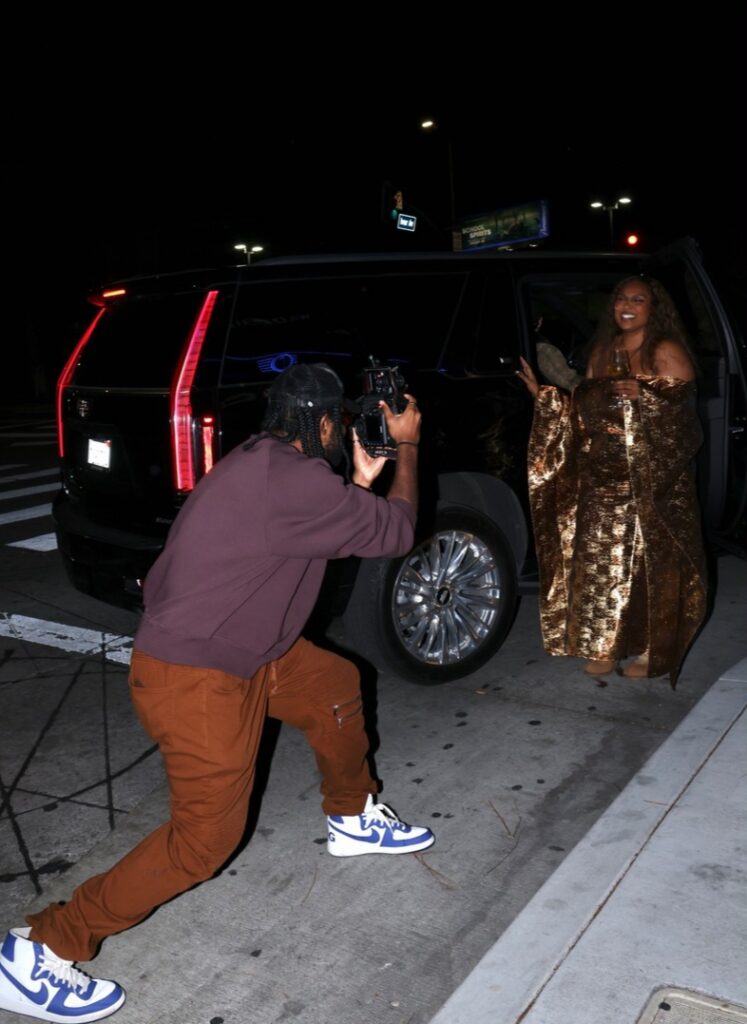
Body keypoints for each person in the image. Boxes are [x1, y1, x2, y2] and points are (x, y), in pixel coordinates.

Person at [0, 363, 434, 1023]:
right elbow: (397, 532)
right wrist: (407, 444)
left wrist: (357, 483)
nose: (345, 428)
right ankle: (41, 949)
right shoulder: (295, 483)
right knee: (203, 842)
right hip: (198, 677)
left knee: (333, 683)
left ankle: (352, 817)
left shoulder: (261, 460)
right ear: (323, 423)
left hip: (245, 652)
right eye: (341, 419)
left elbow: (317, 521)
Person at [516, 275, 707, 685]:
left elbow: (685, 422)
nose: (627, 305)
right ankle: (605, 643)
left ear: (653, 308)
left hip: (652, 478)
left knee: (648, 565)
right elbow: (585, 413)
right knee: (600, 562)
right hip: (602, 474)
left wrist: (646, 398)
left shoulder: (666, 350)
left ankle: (653, 646)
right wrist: (545, 397)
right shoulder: (603, 350)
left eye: (638, 299)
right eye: (621, 298)